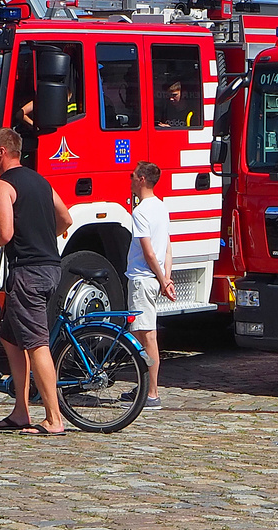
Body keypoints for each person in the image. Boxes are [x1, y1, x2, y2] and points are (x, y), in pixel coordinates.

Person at [0, 127, 72, 436]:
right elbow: (66, 219)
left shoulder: (2, 185)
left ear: (1, 152)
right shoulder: (41, 181)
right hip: (51, 267)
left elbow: (4, 233)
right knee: (10, 337)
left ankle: (54, 419)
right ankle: (21, 411)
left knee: (36, 344)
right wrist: (44, 237)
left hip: (27, 272)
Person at [125, 161, 176, 409]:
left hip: (142, 279)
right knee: (141, 335)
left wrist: (161, 278)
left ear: (142, 179)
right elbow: (166, 246)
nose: (131, 178)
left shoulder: (141, 212)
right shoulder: (161, 207)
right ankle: (144, 387)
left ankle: (152, 393)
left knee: (147, 337)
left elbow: (148, 252)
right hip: (152, 278)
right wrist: (166, 277)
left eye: (133, 175)